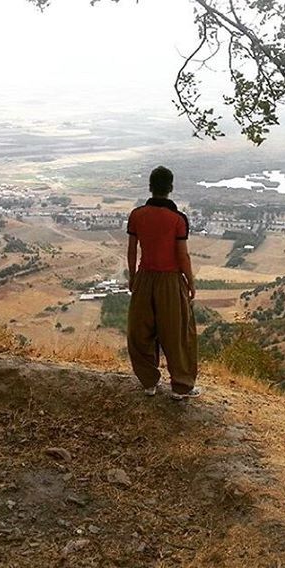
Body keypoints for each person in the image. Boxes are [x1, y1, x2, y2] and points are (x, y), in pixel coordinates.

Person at [126, 166, 200, 400]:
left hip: (145, 277)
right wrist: (191, 281)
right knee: (177, 335)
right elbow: (182, 256)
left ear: (150, 187)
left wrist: (132, 276)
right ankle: (181, 386)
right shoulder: (178, 219)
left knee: (141, 332)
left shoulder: (137, 215)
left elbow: (131, 249)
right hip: (170, 281)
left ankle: (149, 382)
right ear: (170, 188)